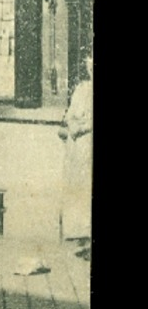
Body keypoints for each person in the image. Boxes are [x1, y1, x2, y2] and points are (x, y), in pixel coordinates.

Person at [59, 48, 92, 258]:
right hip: (77, 148)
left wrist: (83, 126)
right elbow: (70, 114)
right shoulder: (82, 89)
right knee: (79, 190)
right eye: (89, 64)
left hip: (89, 143)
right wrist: (73, 124)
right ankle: (83, 237)